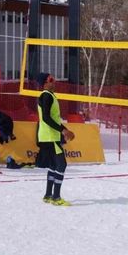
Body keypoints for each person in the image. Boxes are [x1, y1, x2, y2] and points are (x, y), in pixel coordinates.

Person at [36, 72, 75, 206]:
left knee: (53, 166)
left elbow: (52, 119)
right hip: (50, 137)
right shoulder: (46, 96)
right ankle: (56, 197)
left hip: (48, 136)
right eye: (51, 79)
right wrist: (63, 130)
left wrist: (65, 130)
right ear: (44, 83)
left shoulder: (48, 96)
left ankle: (48, 195)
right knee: (61, 165)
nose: (54, 81)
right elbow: (46, 118)